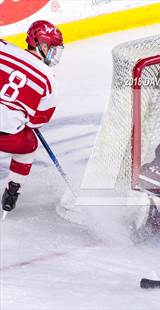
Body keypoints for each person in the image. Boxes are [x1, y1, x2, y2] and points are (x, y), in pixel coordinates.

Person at [0, 20, 64, 213]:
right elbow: (38, 121)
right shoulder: (48, 79)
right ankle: (12, 192)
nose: (54, 55)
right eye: (53, 49)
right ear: (42, 45)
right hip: (6, 135)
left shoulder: (2, 48)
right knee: (29, 146)